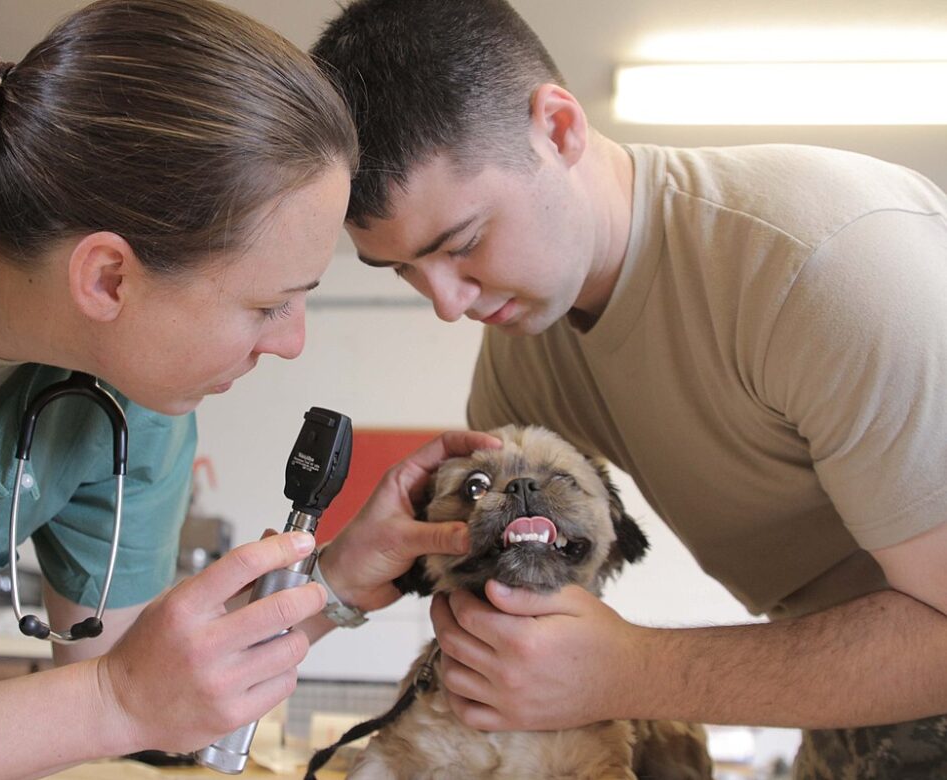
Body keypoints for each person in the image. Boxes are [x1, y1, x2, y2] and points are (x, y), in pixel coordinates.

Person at [0, 0, 497, 776]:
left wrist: (334, 582)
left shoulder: (130, 388)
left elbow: (161, 690)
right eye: (268, 304)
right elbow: (125, 698)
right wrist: (110, 703)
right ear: (109, 277)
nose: (292, 343)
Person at [311, 0, 947, 776]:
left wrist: (633, 671)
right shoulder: (526, 350)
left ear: (559, 129)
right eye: (406, 269)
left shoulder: (828, 269)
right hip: (850, 683)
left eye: (465, 244)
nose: (447, 303)